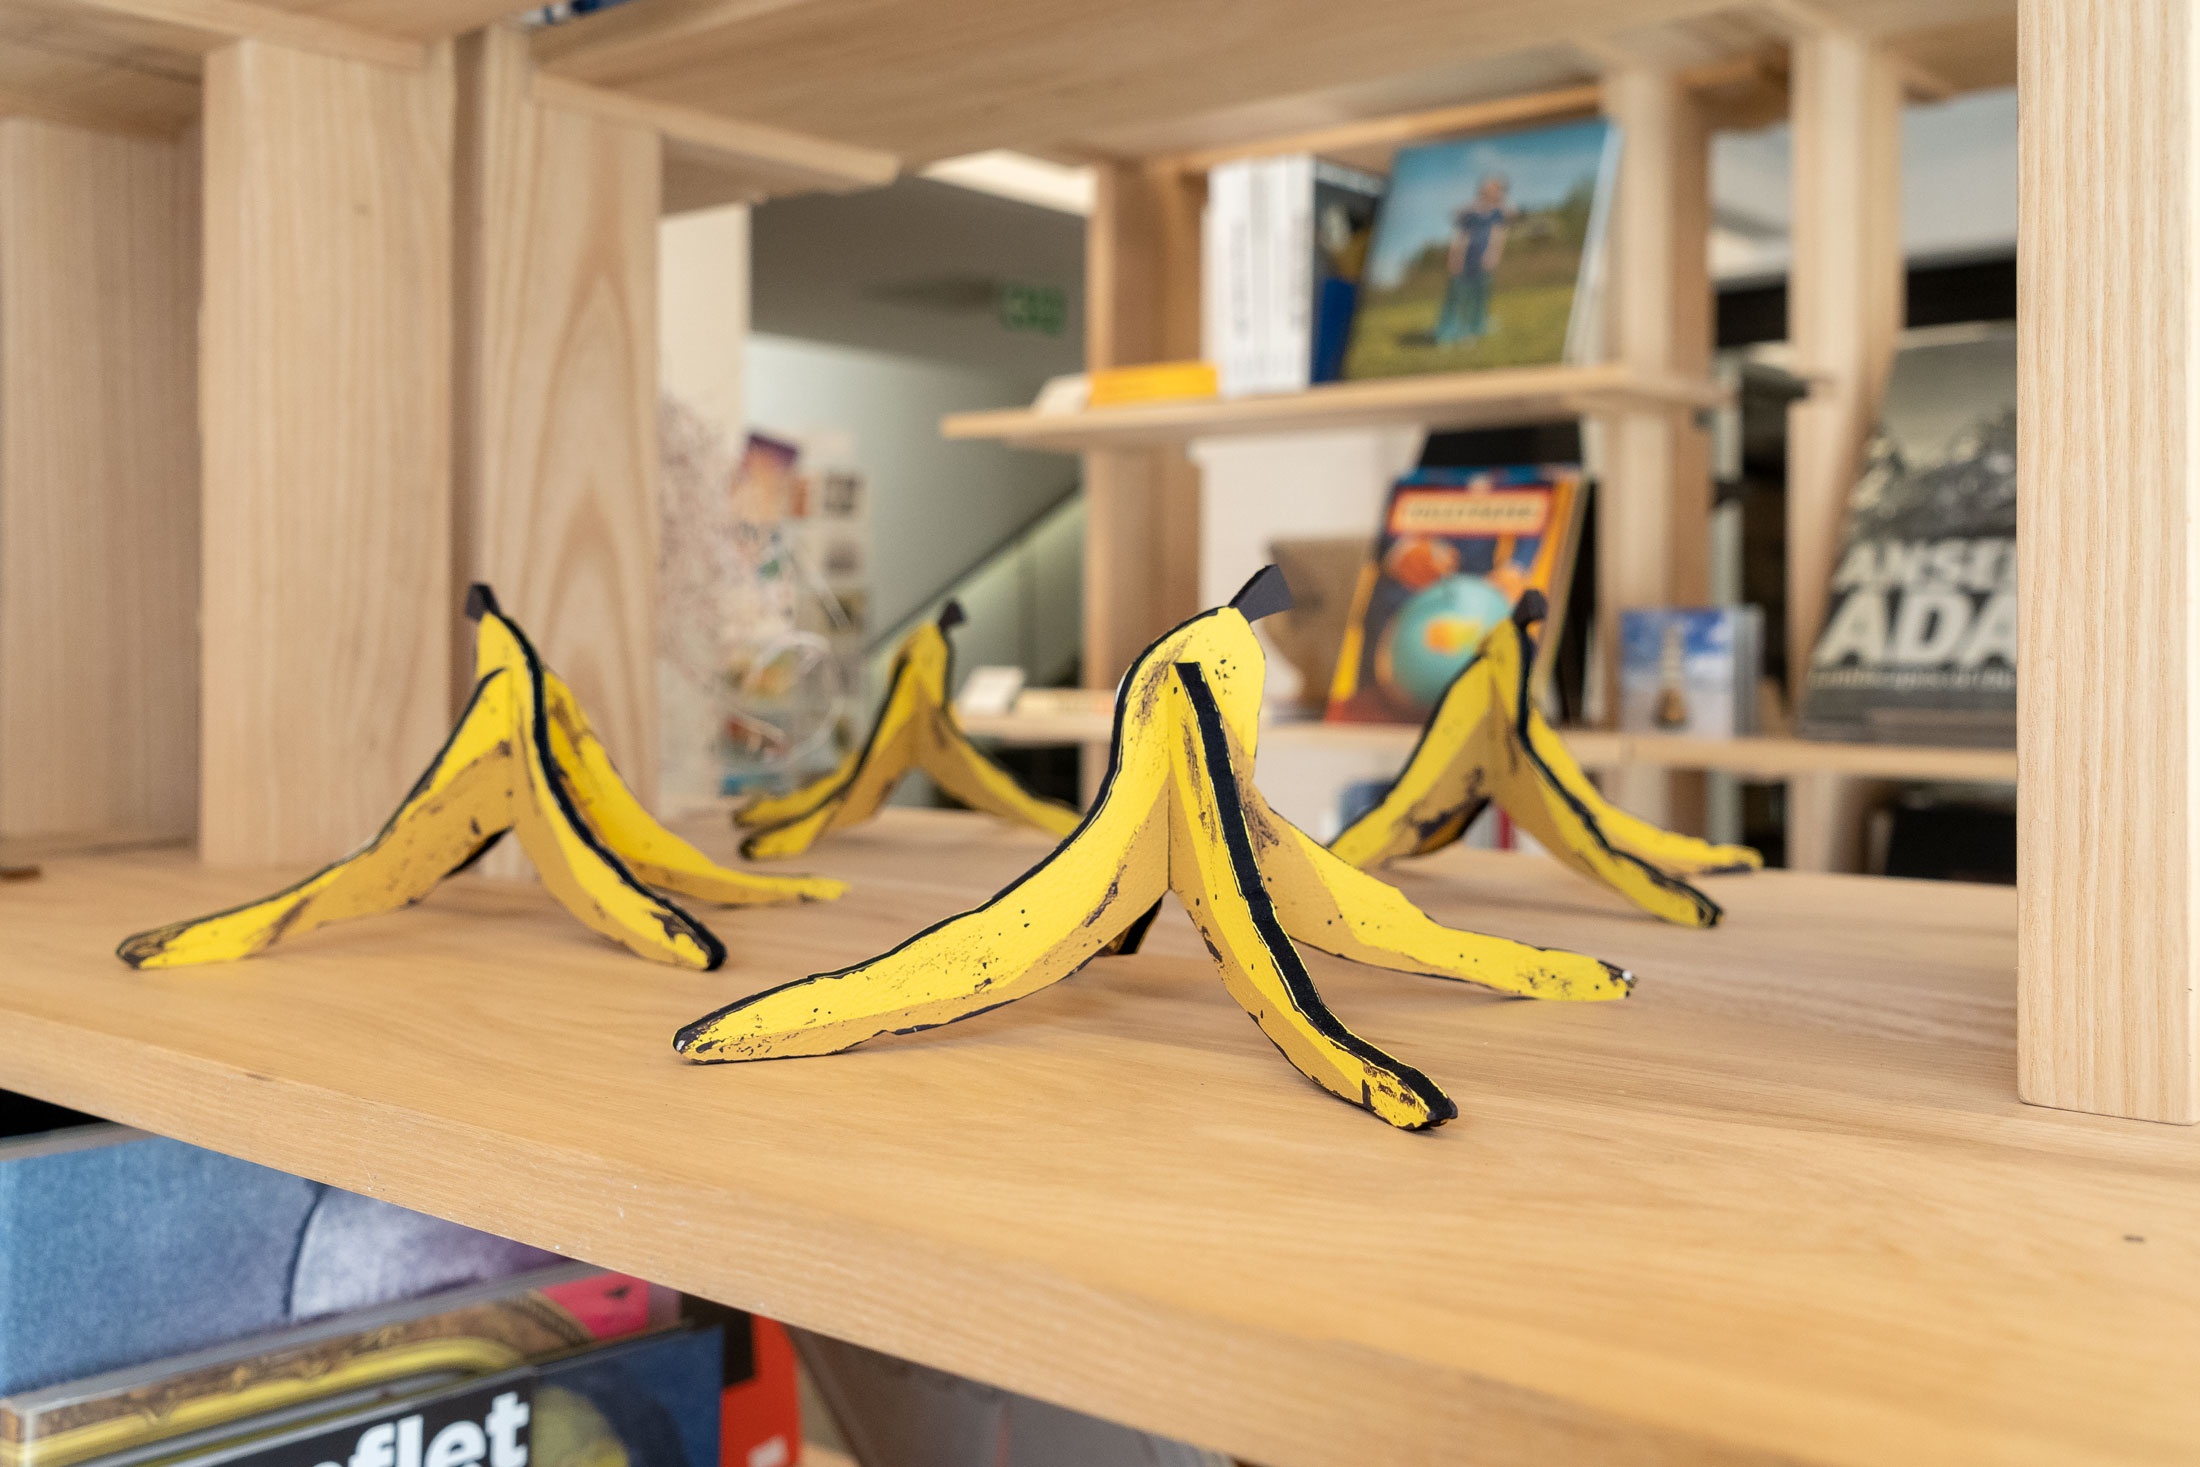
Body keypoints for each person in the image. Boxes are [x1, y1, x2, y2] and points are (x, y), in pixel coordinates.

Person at [1433, 173, 1513, 345]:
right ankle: (1448, 332)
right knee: (1458, 294)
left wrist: (1493, 254)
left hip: (1484, 257)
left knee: (1479, 295)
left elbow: (1498, 234)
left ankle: (1475, 328)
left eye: (1497, 188)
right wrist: (1455, 256)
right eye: (1490, 187)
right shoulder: (1469, 211)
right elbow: (1460, 234)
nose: (1493, 191)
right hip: (1466, 256)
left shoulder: (1499, 212)